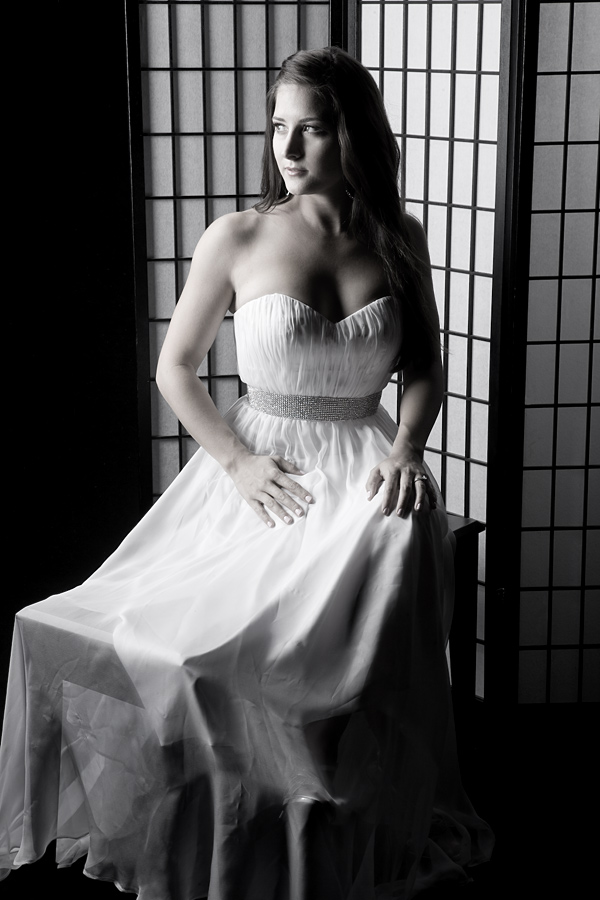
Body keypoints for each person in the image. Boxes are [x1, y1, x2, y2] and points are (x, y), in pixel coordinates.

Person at [0, 47, 493, 899]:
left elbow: (425, 366)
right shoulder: (237, 237)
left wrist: (409, 446)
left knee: (392, 545)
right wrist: (237, 462)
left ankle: (331, 806)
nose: (288, 148)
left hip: (367, 461)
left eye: (314, 127)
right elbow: (175, 369)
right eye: (278, 126)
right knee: (182, 646)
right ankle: (229, 820)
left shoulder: (398, 238)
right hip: (263, 463)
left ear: (355, 134)